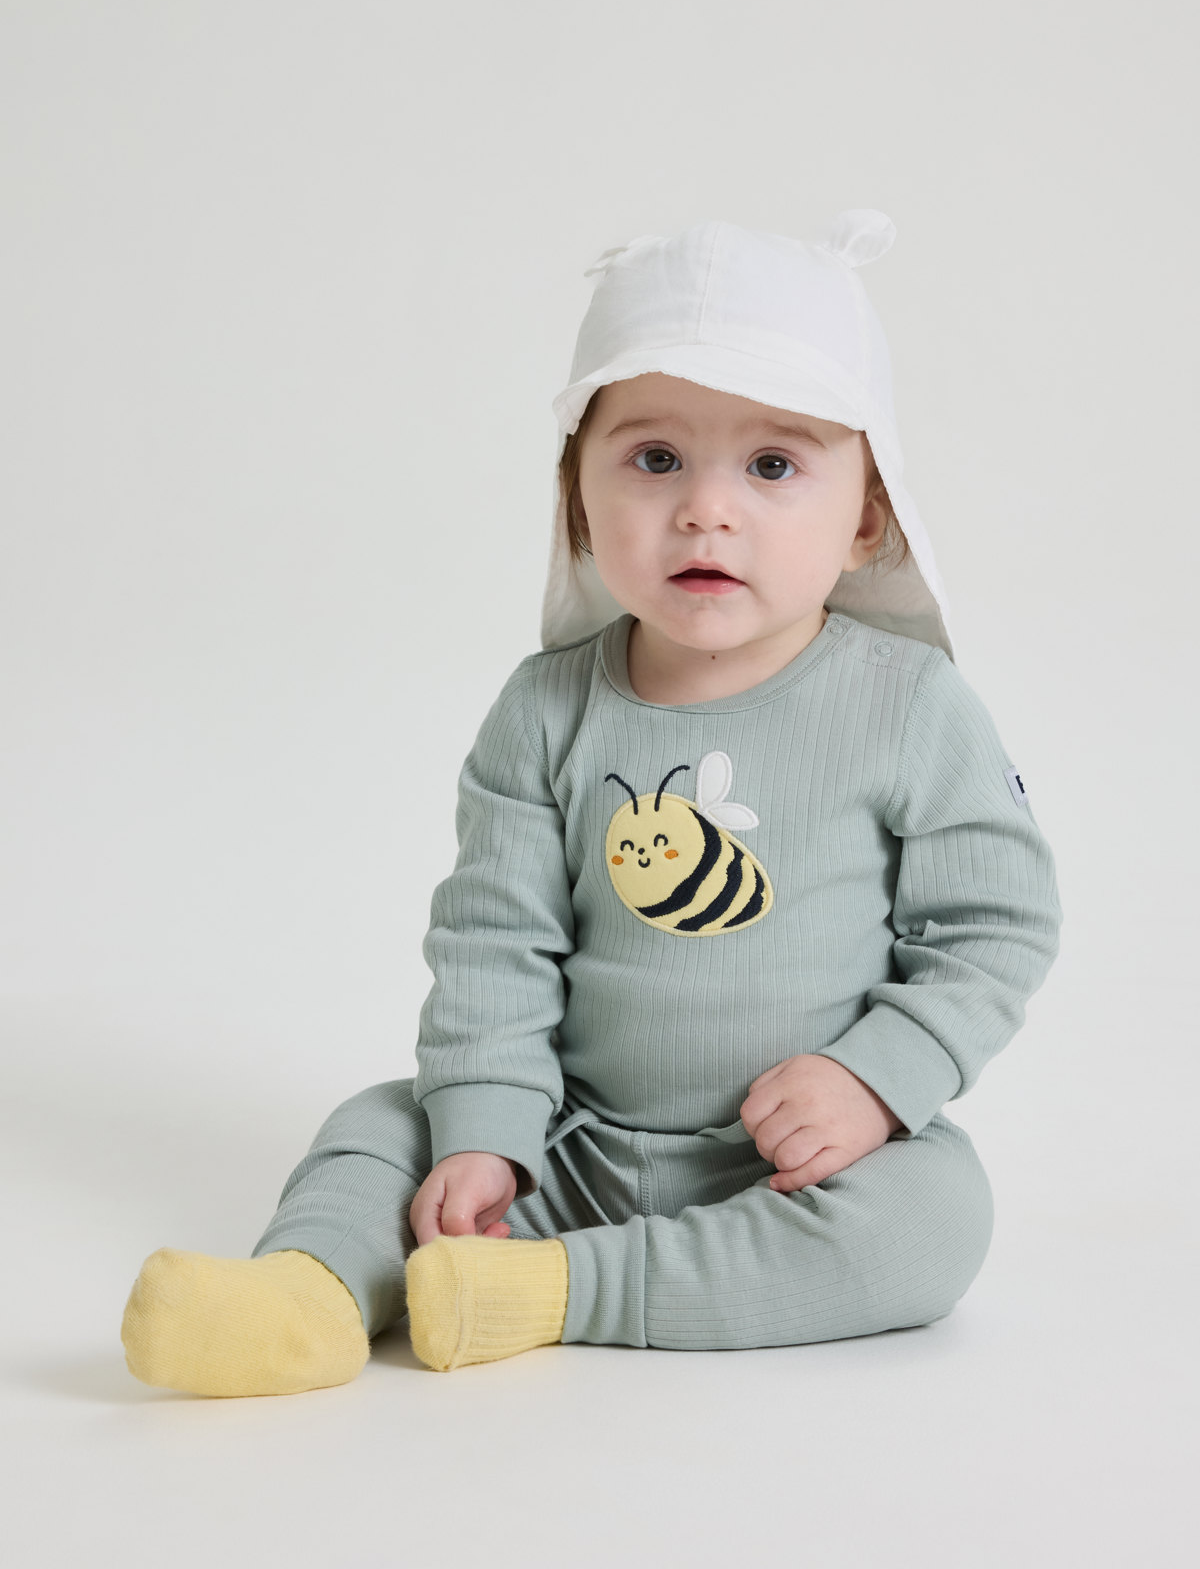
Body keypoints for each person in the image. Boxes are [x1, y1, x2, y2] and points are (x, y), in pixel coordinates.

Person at [120, 210, 1063, 1393]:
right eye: (655, 459)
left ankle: (552, 1291)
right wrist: (486, 1134)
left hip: (790, 1157)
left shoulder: (909, 704)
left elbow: (994, 922)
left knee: (936, 1216)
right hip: (564, 1140)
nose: (707, 509)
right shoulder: (548, 708)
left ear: (867, 516)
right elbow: (494, 940)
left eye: (773, 466)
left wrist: (876, 1080)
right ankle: (306, 1291)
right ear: (576, 498)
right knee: (382, 1124)